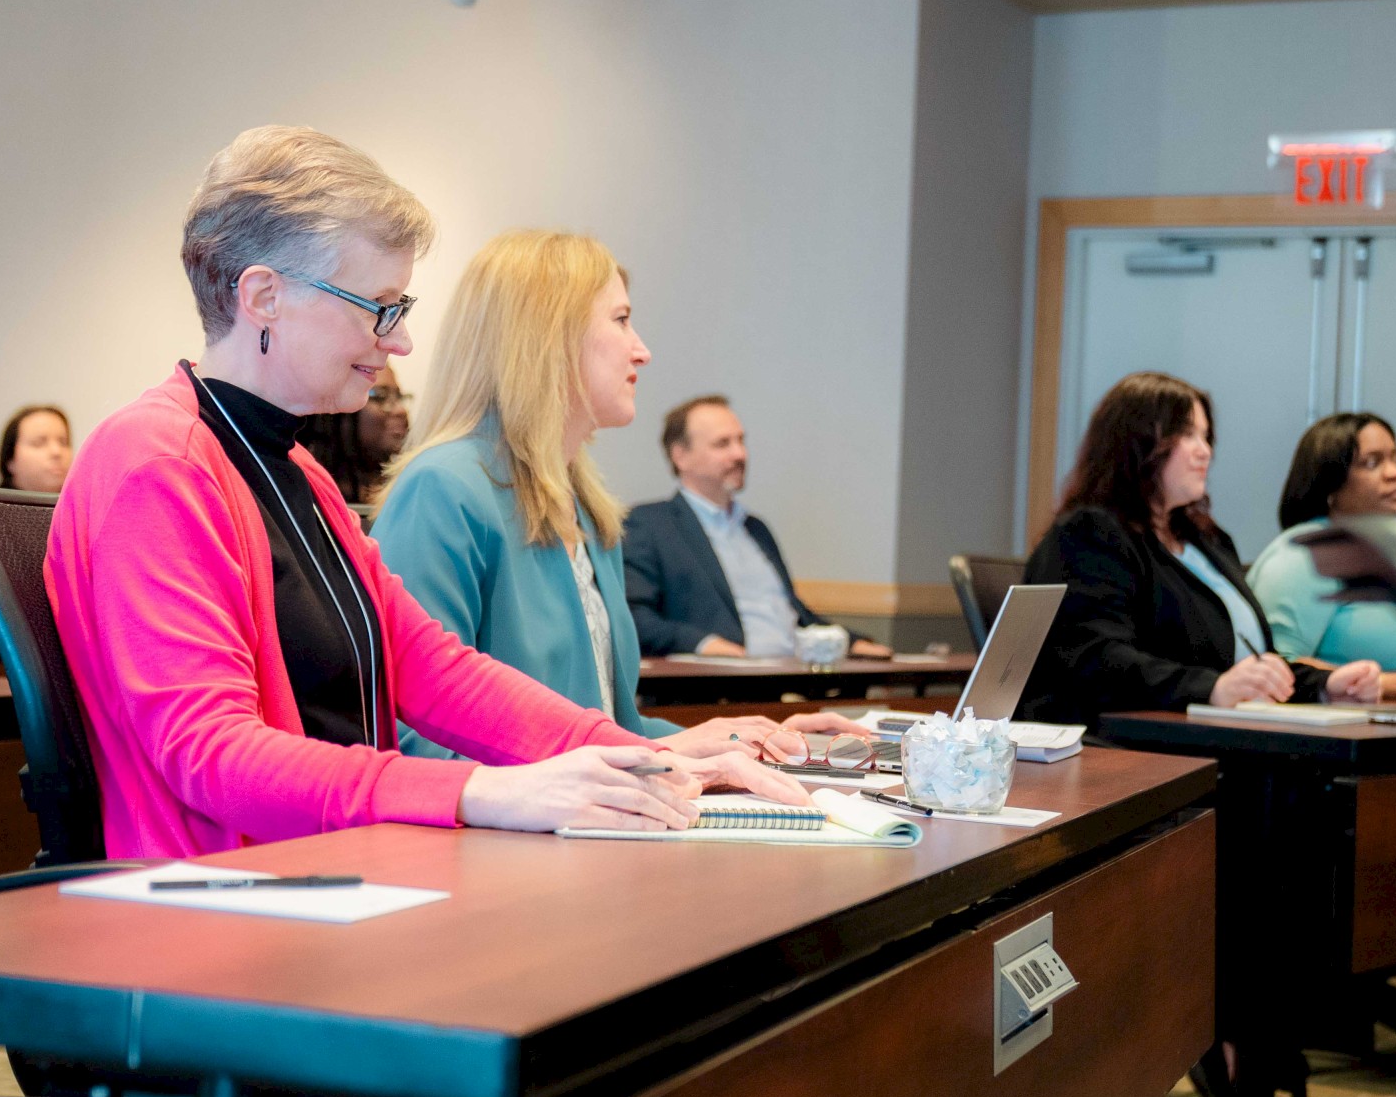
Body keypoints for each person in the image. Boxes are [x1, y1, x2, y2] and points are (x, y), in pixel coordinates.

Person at [44, 127, 804, 860]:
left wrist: (640, 758)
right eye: (378, 307)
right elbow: (210, 754)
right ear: (264, 296)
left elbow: (432, 670)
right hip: (221, 902)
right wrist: (483, 792)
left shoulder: (298, 472)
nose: (399, 341)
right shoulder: (154, 462)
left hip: (331, 873)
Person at [372, 231, 872, 756]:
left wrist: (741, 741)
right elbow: (411, 738)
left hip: (583, 823)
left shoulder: (588, 509)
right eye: (621, 319)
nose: (643, 350)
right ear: (551, 337)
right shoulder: (443, 488)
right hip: (499, 832)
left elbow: (615, 727)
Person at [1018, 371, 1380, 730]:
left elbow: (1245, 662)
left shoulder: (1210, 543)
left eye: (1206, 437)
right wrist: (1211, 689)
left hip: (1223, 736)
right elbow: (1095, 659)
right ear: (1136, 441)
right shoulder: (1089, 534)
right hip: (1132, 745)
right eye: (1187, 434)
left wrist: (1325, 686)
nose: (1204, 451)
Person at [623, 395, 893, 660]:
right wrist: (702, 643)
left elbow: (796, 616)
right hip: (717, 689)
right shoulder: (650, 525)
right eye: (722, 444)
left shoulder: (755, 529)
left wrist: (850, 642)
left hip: (790, 678)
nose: (739, 454)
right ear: (681, 456)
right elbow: (632, 617)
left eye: (741, 441)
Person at [1249, 413, 1396, 702]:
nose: (1394, 473)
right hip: (1346, 737)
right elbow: (1273, 667)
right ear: (1330, 484)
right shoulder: (1302, 555)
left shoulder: (1389, 555)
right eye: (1372, 462)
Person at [301, 363, 410, 504]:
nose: (400, 410)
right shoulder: (305, 496)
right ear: (338, 413)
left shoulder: (405, 492)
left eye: (399, 397)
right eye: (381, 396)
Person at [0, 405, 72, 492]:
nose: (57, 452)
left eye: (63, 443)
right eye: (39, 443)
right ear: (10, 460)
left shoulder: (83, 503)